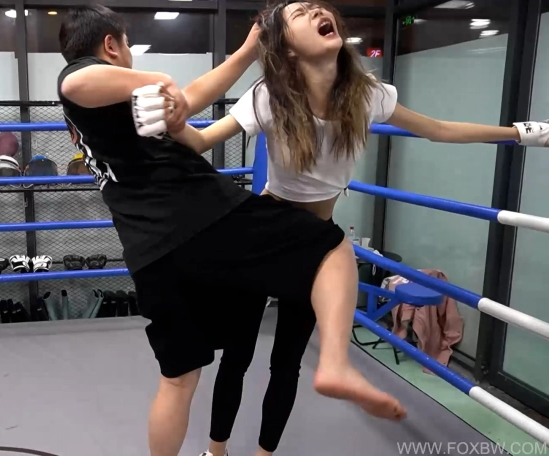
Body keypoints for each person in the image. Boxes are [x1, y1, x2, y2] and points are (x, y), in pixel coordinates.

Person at [157, 2, 549, 455]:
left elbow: (439, 129)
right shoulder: (269, 95)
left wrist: (519, 133)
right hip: (263, 236)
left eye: (316, 7)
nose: (316, 11)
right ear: (287, 50)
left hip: (314, 246)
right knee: (238, 357)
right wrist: (175, 123)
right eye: (300, 14)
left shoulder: (367, 95)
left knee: (286, 365)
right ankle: (216, 451)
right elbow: (202, 140)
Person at [57, 5, 407, 456]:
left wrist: (244, 53)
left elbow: (190, 100)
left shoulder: (104, 113)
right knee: (330, 245)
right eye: (126, 46)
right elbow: (78, 82)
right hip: (203, 217)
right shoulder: (82, 79)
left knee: (178, 379)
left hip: (150, 253)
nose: (130, 56)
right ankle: (336, 363)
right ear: (111, 45)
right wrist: (158, 79)